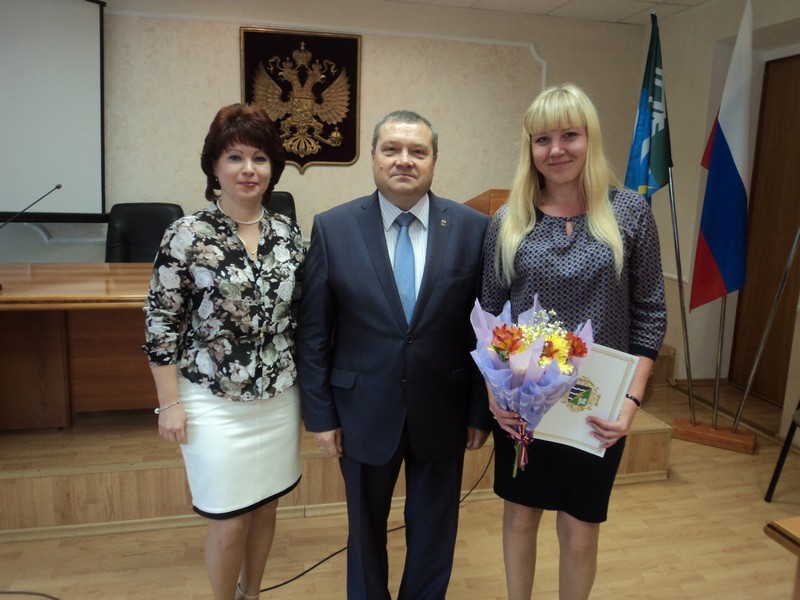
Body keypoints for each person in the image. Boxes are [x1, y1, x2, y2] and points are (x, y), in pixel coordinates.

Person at [479, 84, 667, 599]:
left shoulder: (630, 213)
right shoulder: (508, 220)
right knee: (520, 518)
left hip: (597, 408)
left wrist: (631, 402)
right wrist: (494, 395)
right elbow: (491, 314)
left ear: (590, 139)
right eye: (543, 139)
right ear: (530, 148)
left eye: (570, 135)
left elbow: (650, 314)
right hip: (523, 403)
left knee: (580, 531)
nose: (556, 149)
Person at [296, 110, 492, 600]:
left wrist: (479, 411)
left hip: (443, 408)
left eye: (417, 151)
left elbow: (482, 331)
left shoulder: (473, 229)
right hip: (360, 409)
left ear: (433, 161)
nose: (404, 160)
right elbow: (314, 332)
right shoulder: (333, 228)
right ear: (373, 158)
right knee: (364, 532)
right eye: (392, 149)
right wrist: (320, 415)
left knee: (435, 532)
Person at [143, 103, 305, 600]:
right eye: (235, 157)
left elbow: (304, 316)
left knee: (266, 506)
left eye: (260, 157)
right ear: (214, 167)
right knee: (229, 519)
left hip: (278, 396)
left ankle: (250, 593)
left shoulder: (289, 235)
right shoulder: (187, 234)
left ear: (273, 168)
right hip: (210, 398)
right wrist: (169, 403)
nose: (248, 169)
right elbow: (161, 322)